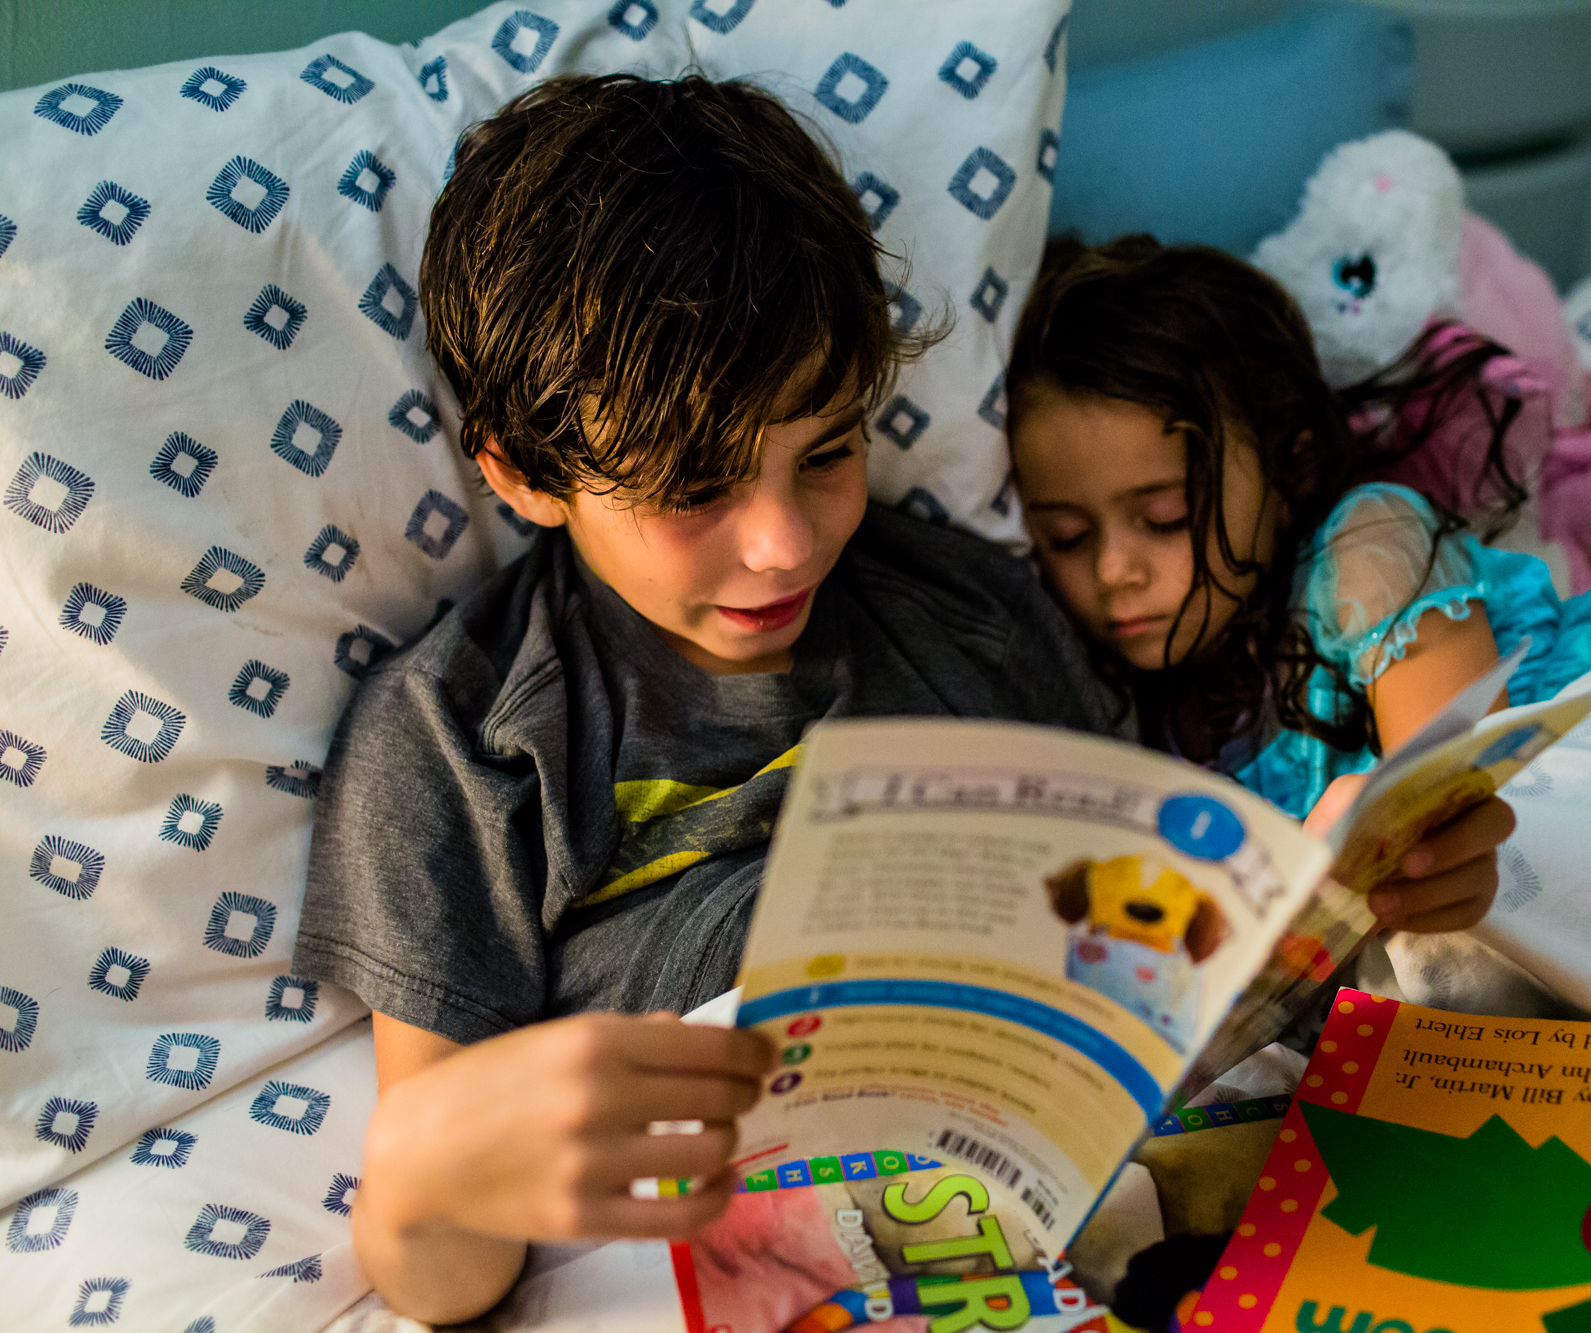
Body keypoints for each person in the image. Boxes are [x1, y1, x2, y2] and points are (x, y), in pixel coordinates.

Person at [293, 79, 1521, 1325]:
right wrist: (420, 1176)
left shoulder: (966, 610)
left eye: (825, 450)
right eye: (692, 488)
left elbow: (1166, 943)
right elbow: (442, 1272)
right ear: (519, 470)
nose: (782, 542)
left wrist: (1351, 898)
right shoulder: (459, 736)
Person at [1006, 236, 1591, 932]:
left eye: (1165, 518)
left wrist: (1401, 833)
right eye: (1065, 535)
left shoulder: (1368, 549)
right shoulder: (1128, 699)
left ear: (1292, 471)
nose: (1112, 571)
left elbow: (1461, 789)